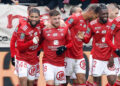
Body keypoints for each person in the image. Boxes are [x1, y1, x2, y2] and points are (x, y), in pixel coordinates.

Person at [78, 4, 117, 86]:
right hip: (97, 57)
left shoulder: (112, 24)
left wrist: (112, 55)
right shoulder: (92, 24)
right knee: (95, 81)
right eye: (103, 14)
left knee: (113, 80)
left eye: (106, 14)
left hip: (109, 56)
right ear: (98, 14)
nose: (105, 16)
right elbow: (87, 39)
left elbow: (115, 39)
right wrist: (82, 38)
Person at [65, 4, 99, 86]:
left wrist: (83, 38)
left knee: (81, 80)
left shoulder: (89, 23)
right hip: (68, 54)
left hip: (79, 54)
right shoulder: (75, 17)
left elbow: (86, 39)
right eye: (96, 16)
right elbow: (63, 29)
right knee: (64, 81)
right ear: (91, 12)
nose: (96, 18)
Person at [11, 8, 43, 86]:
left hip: (33, 59)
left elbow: (44, 38)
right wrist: (32, 42)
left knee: (31, 83)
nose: (34, 19)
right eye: (32, 16)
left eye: (36, 17)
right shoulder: (22, 28)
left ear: (39, 17)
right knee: (23, 81)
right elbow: (19, 47)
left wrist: (38, 49)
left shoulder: (41, 25)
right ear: (28, 16)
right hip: (22, 59)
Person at [42, 10, 72, 86]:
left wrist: (64, 47)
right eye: (55, 19)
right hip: (48, 62)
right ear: (50, 19)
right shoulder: (44, 29)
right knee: (50, 83)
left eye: (59, 18)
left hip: (60, 62)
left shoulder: (65, 28)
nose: (57, 20)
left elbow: (71, 43)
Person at [105, 6, 120, 86]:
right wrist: (116, 50)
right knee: (114, 79)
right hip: (117, 54)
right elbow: (107, 39)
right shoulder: (116, 21)